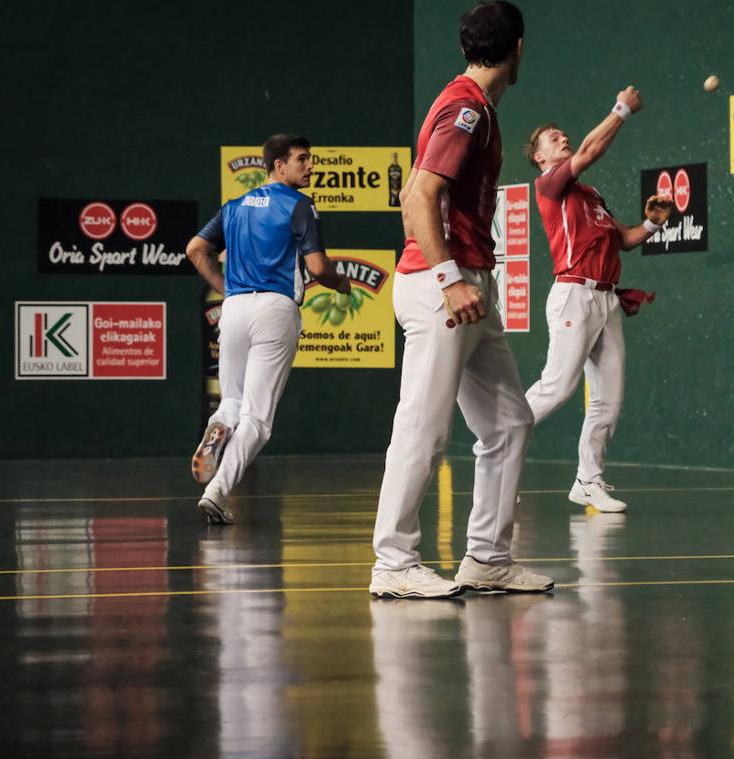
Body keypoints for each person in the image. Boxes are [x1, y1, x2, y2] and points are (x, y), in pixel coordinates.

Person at [369, 1, 552, 599]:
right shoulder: (466, 109)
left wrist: (463, 279)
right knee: (423, 427)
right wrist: (448, 279)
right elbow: (419, 196)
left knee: (508, 421)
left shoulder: (477, 107)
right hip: (444, 289)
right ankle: (393, 563)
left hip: (469, 285)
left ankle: (487, 558)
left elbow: (407, 193)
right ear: (519, 48)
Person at [186, 134, 350, 524]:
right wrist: (341, 283)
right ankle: (217, 490)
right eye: (303, 160)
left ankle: (220, 427)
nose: (311, 167)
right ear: (279, 165)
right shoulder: (300, 206)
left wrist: (227, 291)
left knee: (232, 402)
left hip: (235, 308)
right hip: (275, 309)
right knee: (258, 419)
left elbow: (195, 249)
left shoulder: (234, 206)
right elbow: (317, 268)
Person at [522, 89, 672, 513]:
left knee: (609, 397)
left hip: (606, 302)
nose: (561, 138)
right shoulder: (549, 184)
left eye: (561, 134)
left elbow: (624, 240)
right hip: (573, 295)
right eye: (551, 138)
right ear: (538, 157)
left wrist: (652, 223)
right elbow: (589, 150)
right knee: (558, 387)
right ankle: (497, 441)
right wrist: (621, 110)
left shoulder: (590, 195)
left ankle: (588, 479)